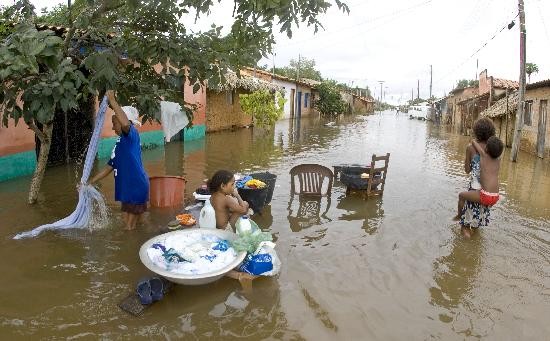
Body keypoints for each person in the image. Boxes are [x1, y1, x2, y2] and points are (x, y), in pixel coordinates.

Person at [86, 90, 150, 230]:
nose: (113, 127)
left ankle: (131, 249)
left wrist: (113, 101)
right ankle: (145, 239)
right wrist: (90, 182)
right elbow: (109, 167)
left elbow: (126, 125)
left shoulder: (131, 134)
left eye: (115, 123)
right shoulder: (121, 143)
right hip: (129, 189)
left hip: (135, 187)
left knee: (128, 228)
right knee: (135, 224)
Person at [453, 117, 497, 237]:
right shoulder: (493, 150)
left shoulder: (470, 148)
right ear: (491, 132)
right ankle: (475, 251)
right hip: (488, 192)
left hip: (474, 190)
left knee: (465, 227)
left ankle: (463, 230)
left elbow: (467, 170)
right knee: (476, 224)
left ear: (476, 131)